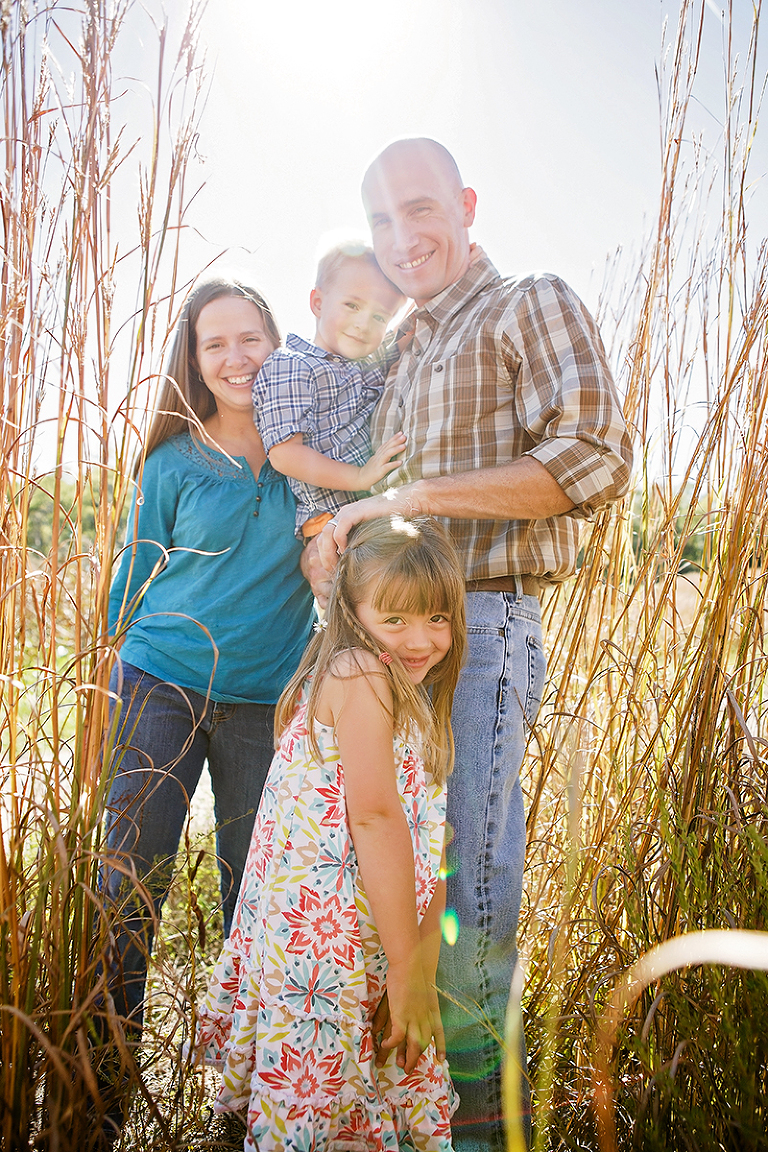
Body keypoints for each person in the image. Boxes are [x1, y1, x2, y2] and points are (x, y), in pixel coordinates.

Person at [311, 138, 635, 1150]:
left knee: (469, 895)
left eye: (420, 209)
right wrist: (335, 536)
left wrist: (415, 496)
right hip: (384, 648)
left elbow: (592, 457)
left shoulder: (524, 303)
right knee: (385, 882)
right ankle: (402, 1121)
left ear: (466, 205)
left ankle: (484, 1135)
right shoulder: (401, 351)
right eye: (380, 220)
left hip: (480, 629)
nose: (401, 238)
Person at [193, 515, 467, 1152]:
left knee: (364, 1092)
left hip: (376, 941)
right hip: (324, 951)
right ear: (351, 610)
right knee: (319, 1105)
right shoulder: (358, 675)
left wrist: (417, 967)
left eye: (436, 617)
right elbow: (374, 817)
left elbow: (432, 844)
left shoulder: (410, 698)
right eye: (394, 618)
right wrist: (407, 966)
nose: (420, 639)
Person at [102, 279, 315, 1052]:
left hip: (265, 701)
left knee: (255, 893)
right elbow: (133, 576)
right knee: (128, 881)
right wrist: (102, 686)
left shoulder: (313, 460)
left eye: (250, 338)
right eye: (214, 343)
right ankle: (102, 1075)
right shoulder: (172, 461)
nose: (236, 357)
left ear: (277, 344)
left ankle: (248, 1079)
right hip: (159, 684)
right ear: (194, 361)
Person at [254, 242, 407, 539]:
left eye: (379, 317)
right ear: (318, 303)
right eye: (352, 305)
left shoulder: (366, 364)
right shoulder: (293, 365)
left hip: (369, 514)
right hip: (329, 519)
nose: (363, 324)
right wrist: (360, 476)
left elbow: (407, 334)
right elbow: (285, 454)